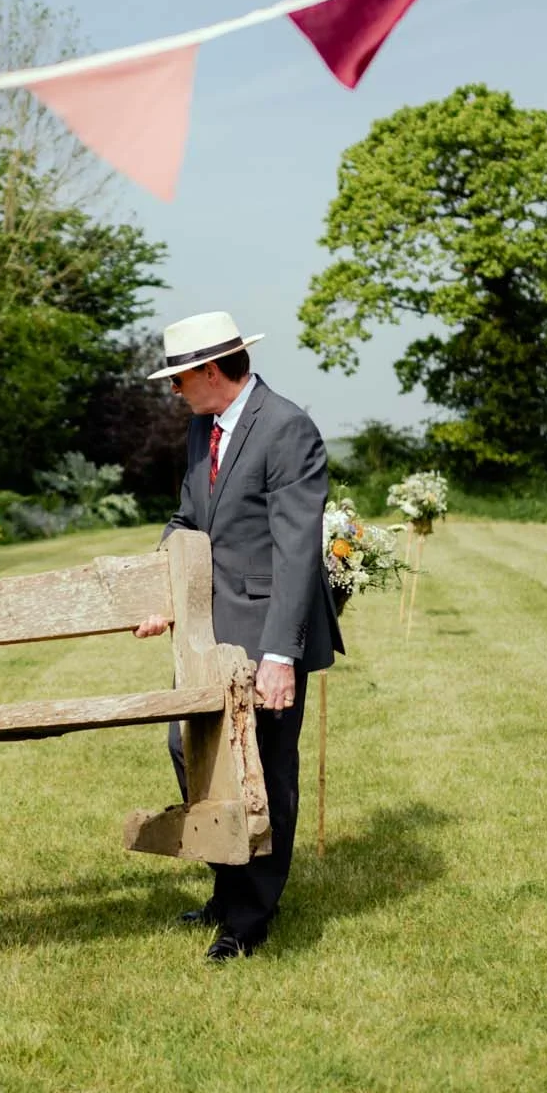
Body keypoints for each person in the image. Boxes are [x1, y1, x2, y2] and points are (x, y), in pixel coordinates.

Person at [132, 310, 340, 962]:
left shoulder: (287, 429)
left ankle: (251, 918)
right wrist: (159, 592)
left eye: (178, 379)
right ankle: (226, 888)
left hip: (265, 633)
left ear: (212, 370)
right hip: (206, 635)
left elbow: (298, 550)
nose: (173, 391)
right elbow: (188, 518)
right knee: (189, 753)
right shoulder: (203, 429)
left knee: (263, 773)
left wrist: (281, 654)